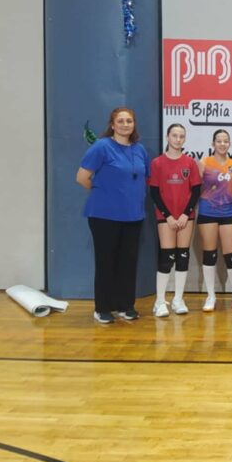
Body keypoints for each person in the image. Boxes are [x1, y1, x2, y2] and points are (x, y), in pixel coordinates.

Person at [75, 107, 149, 324]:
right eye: (121, 121)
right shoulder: (102, 146)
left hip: (133, 216)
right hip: (104, 216)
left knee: (128, 262)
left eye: (129, 121)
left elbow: (143, 177)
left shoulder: (140, 149)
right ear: (112, 124)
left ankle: (126, 306)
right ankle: (102, 308)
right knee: (106, 262)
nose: (125, 125)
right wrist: (105, 193)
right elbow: (82, 177)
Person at [148, 123, 201, 317]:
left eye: (181, 136)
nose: (178, 139)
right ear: (168, 137)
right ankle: (160, 301)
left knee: (183, 256)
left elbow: (196, 190)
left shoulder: (190, 163)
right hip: (166, 218)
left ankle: (178, 299)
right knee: (166, 257)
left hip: (186, 217)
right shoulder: (157, 163)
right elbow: (154, 192)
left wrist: (186, 214)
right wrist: (168, 216)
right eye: (174, 135)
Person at [198, 129, 232, 312]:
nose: (222, 144)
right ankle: (211, 296)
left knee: (231, 255)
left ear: (229, 144)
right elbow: (194, 187)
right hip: (208, 211)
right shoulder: (204, 162)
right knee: (209, 254)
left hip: (228, 212)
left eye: (226, 141)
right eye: (219, 141)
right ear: (213, 143)